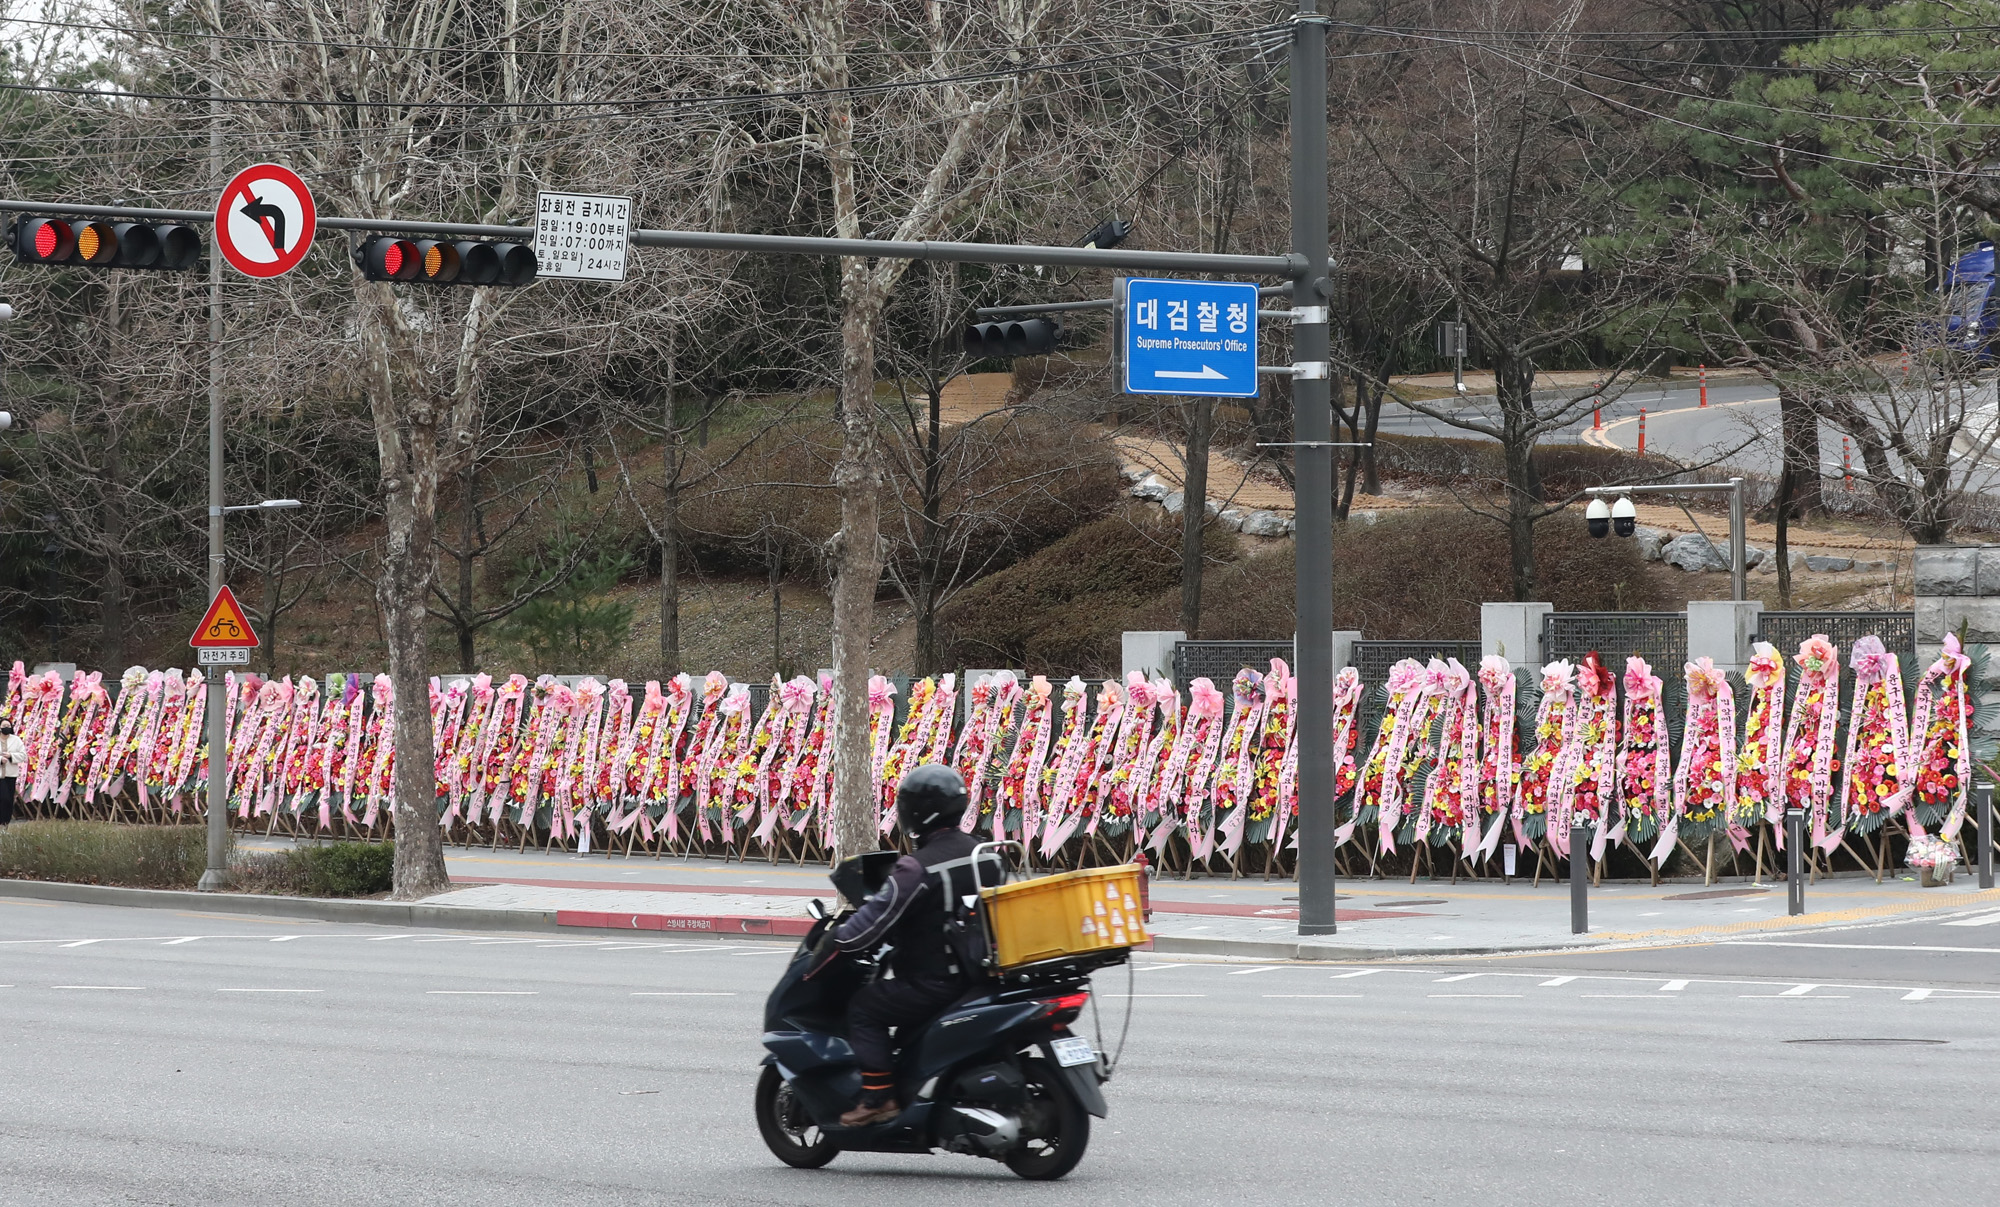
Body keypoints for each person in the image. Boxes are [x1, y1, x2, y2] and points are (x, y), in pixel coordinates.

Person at [827, 764, 991, 1127]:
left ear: (916, 811)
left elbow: (867, 926)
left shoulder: (916, 868)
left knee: (864, 1008)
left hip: (937, 982)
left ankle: (878, 1098)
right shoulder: (987, 853)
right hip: (983, 974)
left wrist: (836, 940)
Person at [0, 724, 24, 827]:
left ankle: (6, 823)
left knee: (9, 800)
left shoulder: (16, 740)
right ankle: (1, 821)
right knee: (3, 798)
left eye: (8, 726)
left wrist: (11, 756)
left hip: (11, 775)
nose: (7, 727)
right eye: (4, 725)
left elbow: (23, 755)